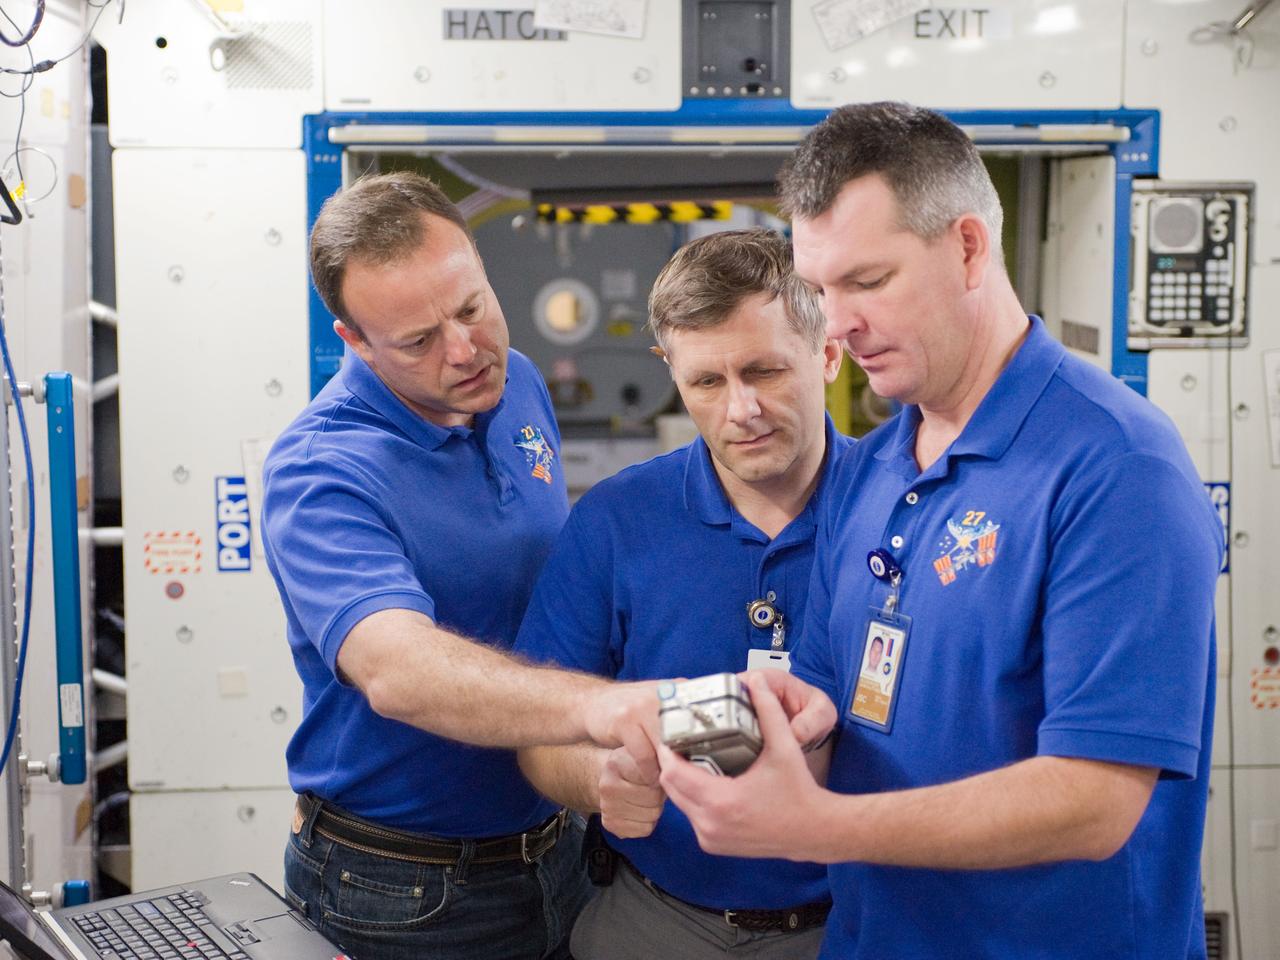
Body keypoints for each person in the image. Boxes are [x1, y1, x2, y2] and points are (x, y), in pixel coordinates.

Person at [657, 102, 1223, 960]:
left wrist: (823, 825)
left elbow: (1099, 798)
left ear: (967, 247)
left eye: (867, 281)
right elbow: (826, 692)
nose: (835, 323)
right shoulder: (878, 466)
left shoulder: (1115, 466)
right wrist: (730, 742)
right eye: (818, 289)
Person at [261, 171, 657, 960]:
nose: (466, 351)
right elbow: (399, 669)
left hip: (558, 850)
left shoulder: (514, 387)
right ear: (355, 341)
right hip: (405, 890)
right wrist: (602, 709)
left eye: (472, 307)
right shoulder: (321, 473)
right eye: (417, 341)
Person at [513, 228, 847, 959]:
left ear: (827, 353)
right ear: (671, 371)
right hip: (655, 918)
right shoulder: (615, 521)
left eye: (764, 371)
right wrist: (601, 779)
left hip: (853, 924)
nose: (741, 411)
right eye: (706, 382)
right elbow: (541, 731)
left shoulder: (898, 512)